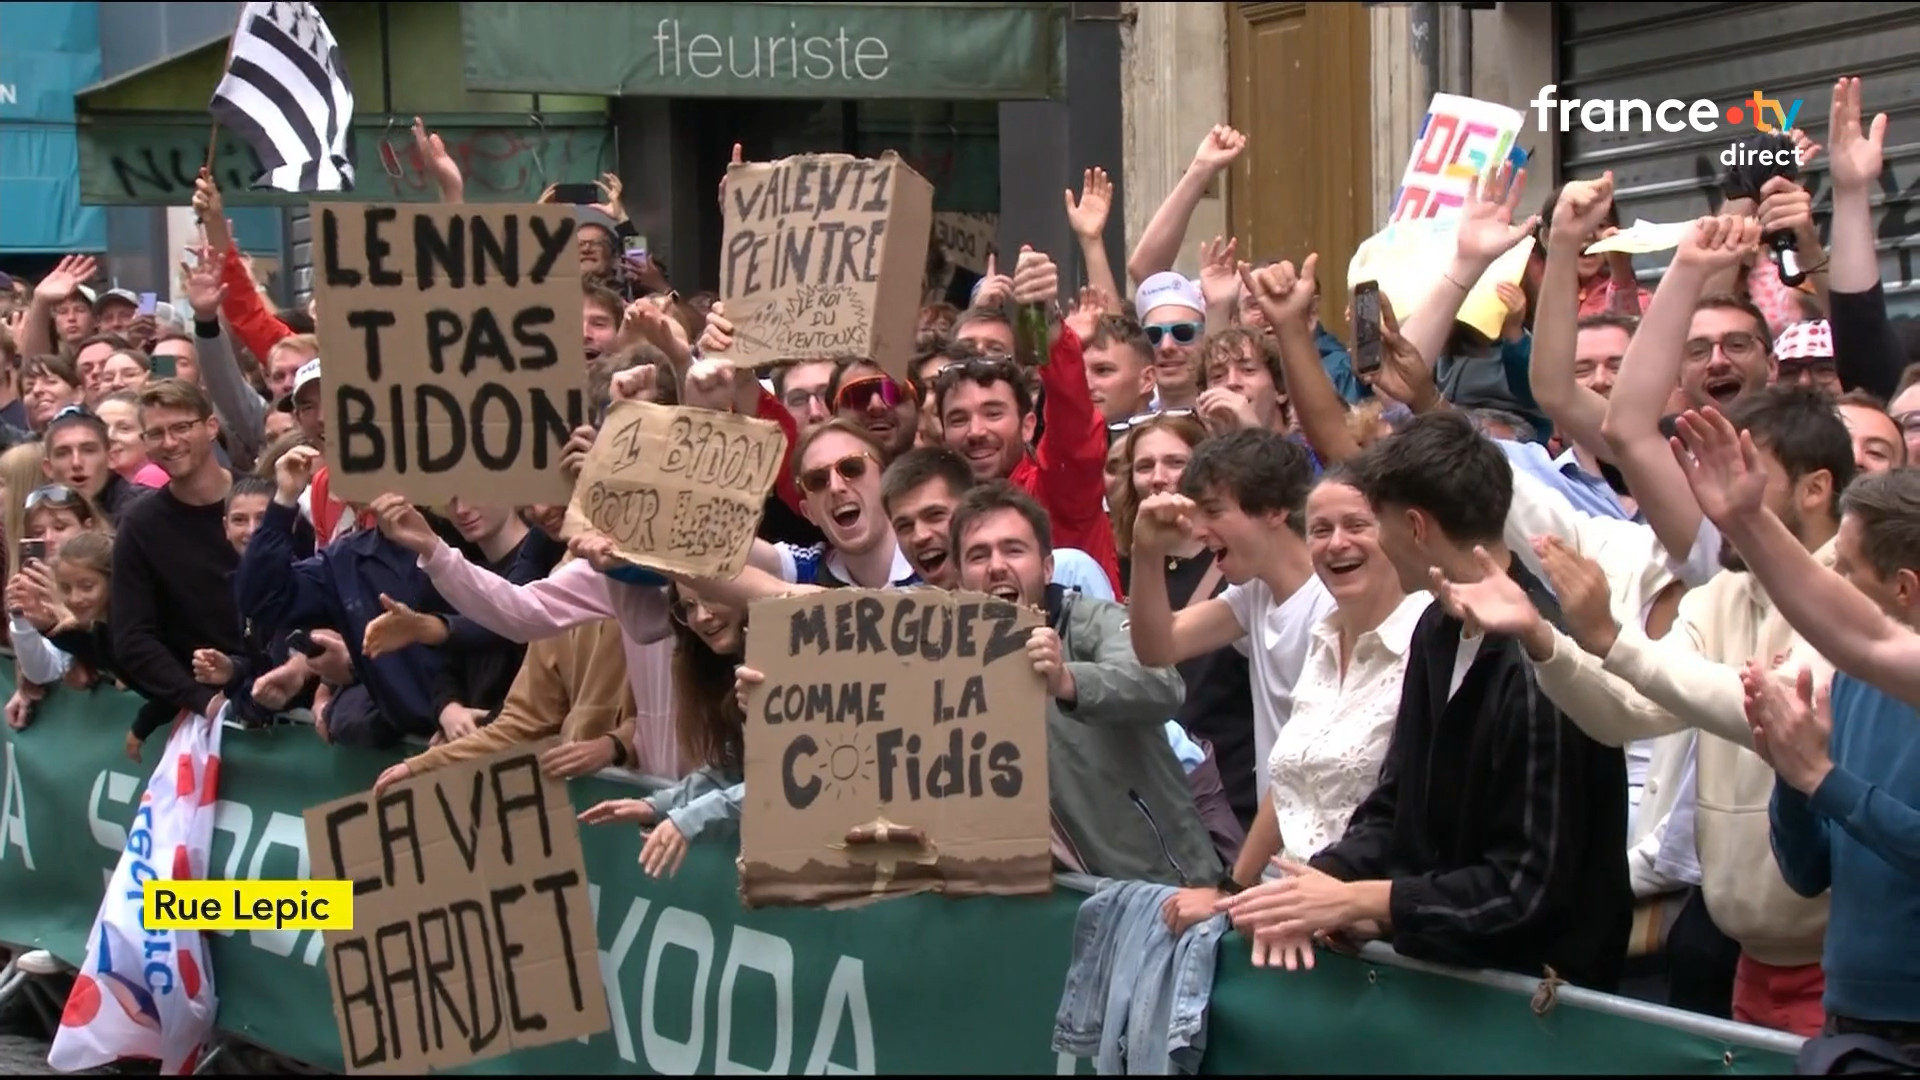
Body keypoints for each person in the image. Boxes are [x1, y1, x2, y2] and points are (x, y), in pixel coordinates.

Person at [1223, 412, 1630, 991]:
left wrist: (1369, 902)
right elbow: (1397, 802)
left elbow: (1523, 890)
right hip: (1441, 980)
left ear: (1414, 527)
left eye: (1375, 522)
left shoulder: (1544, 661)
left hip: (1542, 1007)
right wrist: (1320, 886)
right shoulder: (1436, 628)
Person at [1163, 471, 1430, 946]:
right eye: (1321, 530)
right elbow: (1291, 783)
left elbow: (1418, 816)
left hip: (1371, 934)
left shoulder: (1428, 641)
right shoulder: (1325, 638)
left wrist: (1362, 912)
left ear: (1398, 532)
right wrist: (1232, 891)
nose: (1336, 543)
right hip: (1289, 917)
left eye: (1357, 525)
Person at [1127, 428, 1334, 814]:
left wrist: (1249, 857)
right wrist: (1147, 551)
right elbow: (1158, 647)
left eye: (1214, 511)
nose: (1199, 531)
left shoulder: (1332, 602)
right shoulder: (1255, 592)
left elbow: (1311, 766)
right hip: (1281, 832)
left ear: (1273, 510)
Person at [109, 379, 243, 755]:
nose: (169, 442)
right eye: (156, 433)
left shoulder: (260, 501)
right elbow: (133, 637)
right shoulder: (140, 525)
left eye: (181, 427)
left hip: (288, 703)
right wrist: (201, 700)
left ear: (211, 427)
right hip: (204, 718)